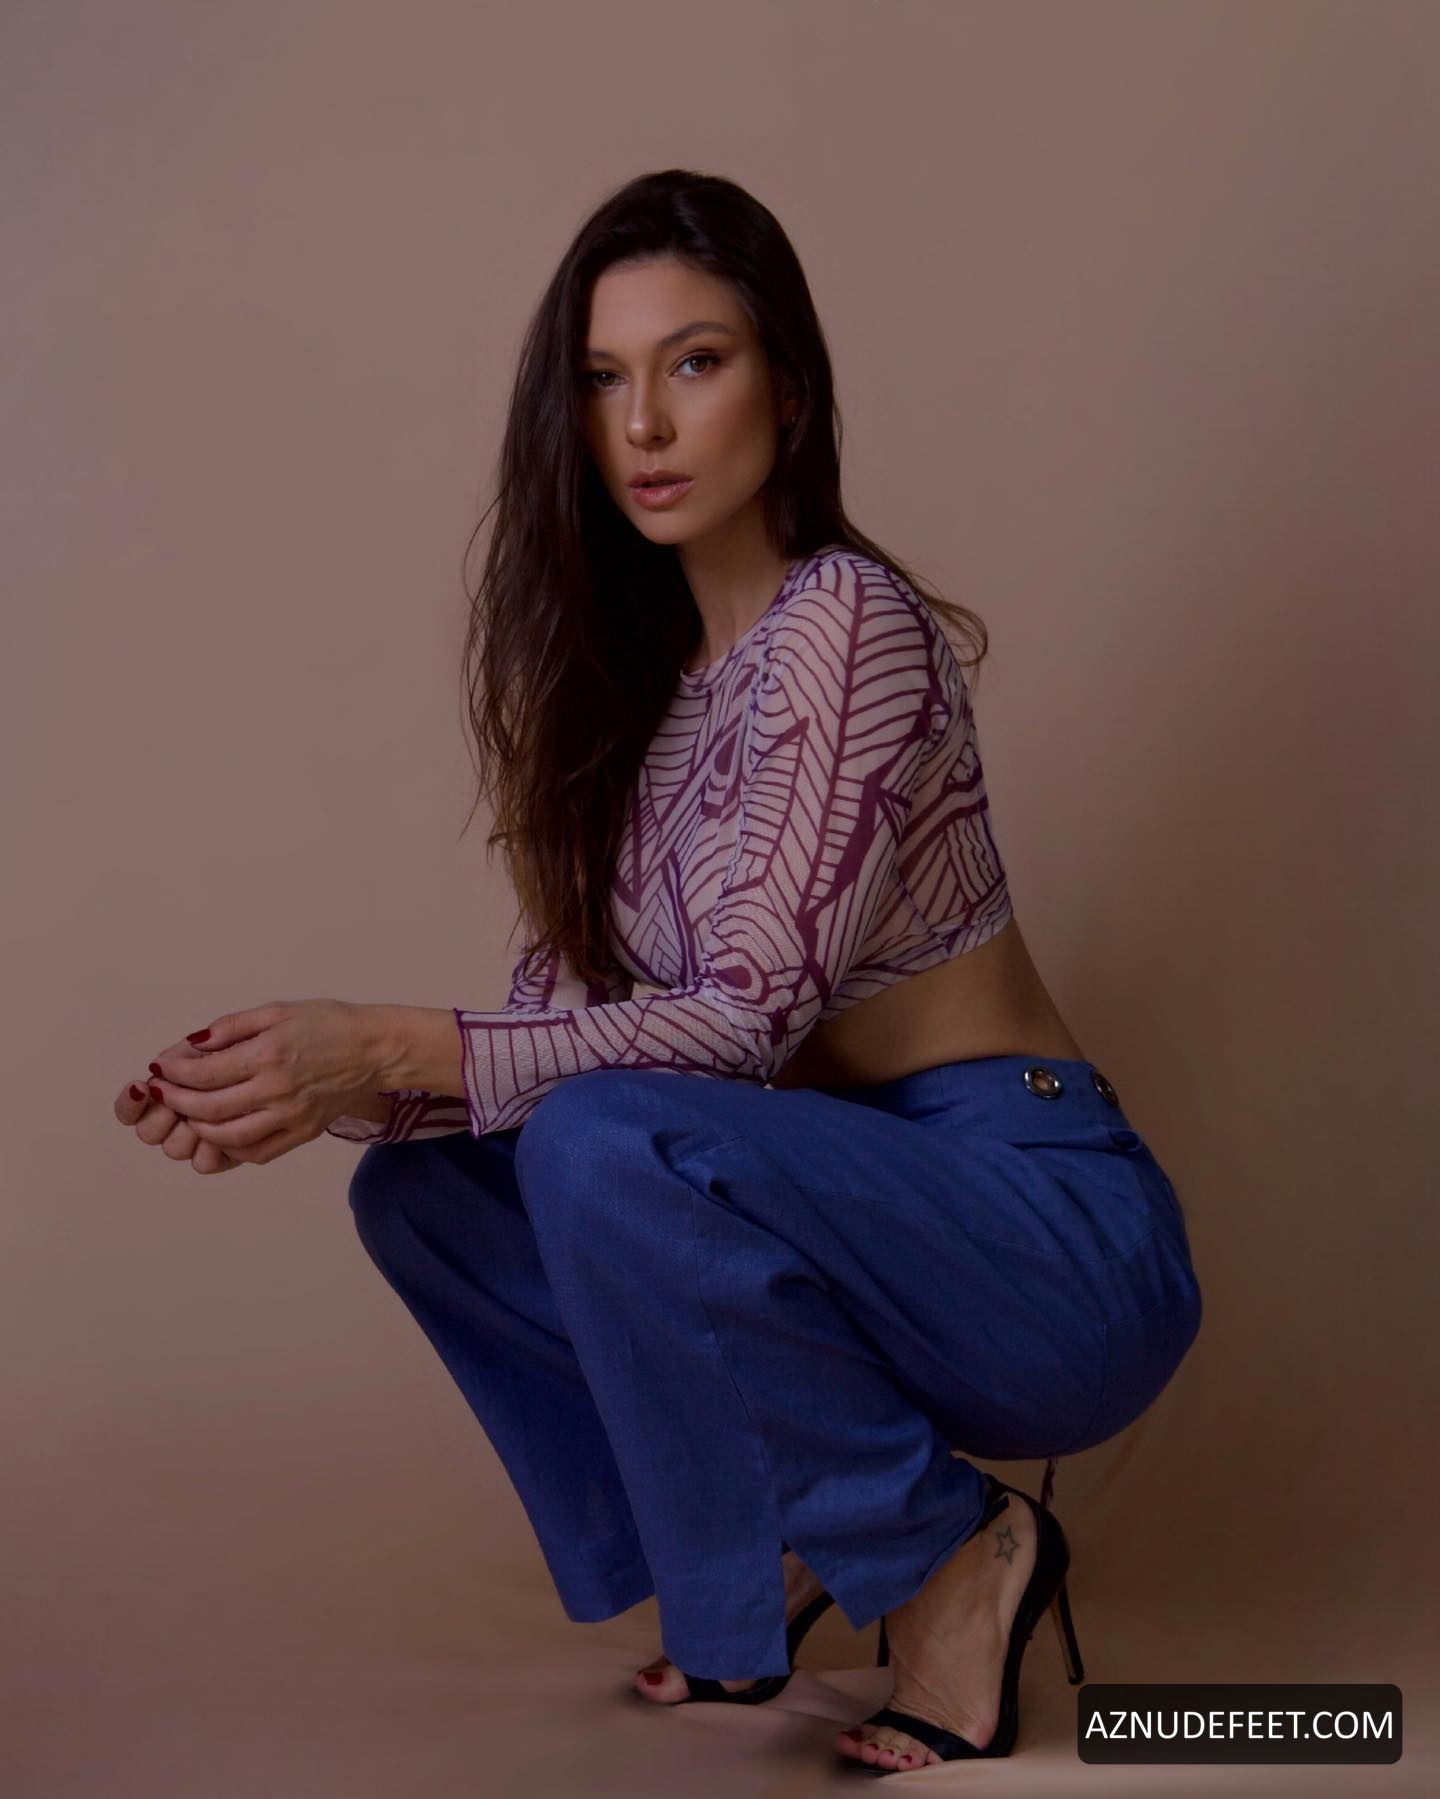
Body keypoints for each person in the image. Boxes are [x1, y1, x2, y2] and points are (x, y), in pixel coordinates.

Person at [115, 169, 1203, 1774]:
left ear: (791, 389)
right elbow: (561, 1046)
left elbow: (737, 1026)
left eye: (695, 363)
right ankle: (771, 1551)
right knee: (429, 1199)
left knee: (600, 1141)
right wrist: (293, 1089)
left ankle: (952, 1556)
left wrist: (384, 1046)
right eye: (603, 378)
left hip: (1039, 1239)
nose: (643, 423)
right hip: (843, 1213)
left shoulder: (847, 624)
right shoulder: (636, 707)